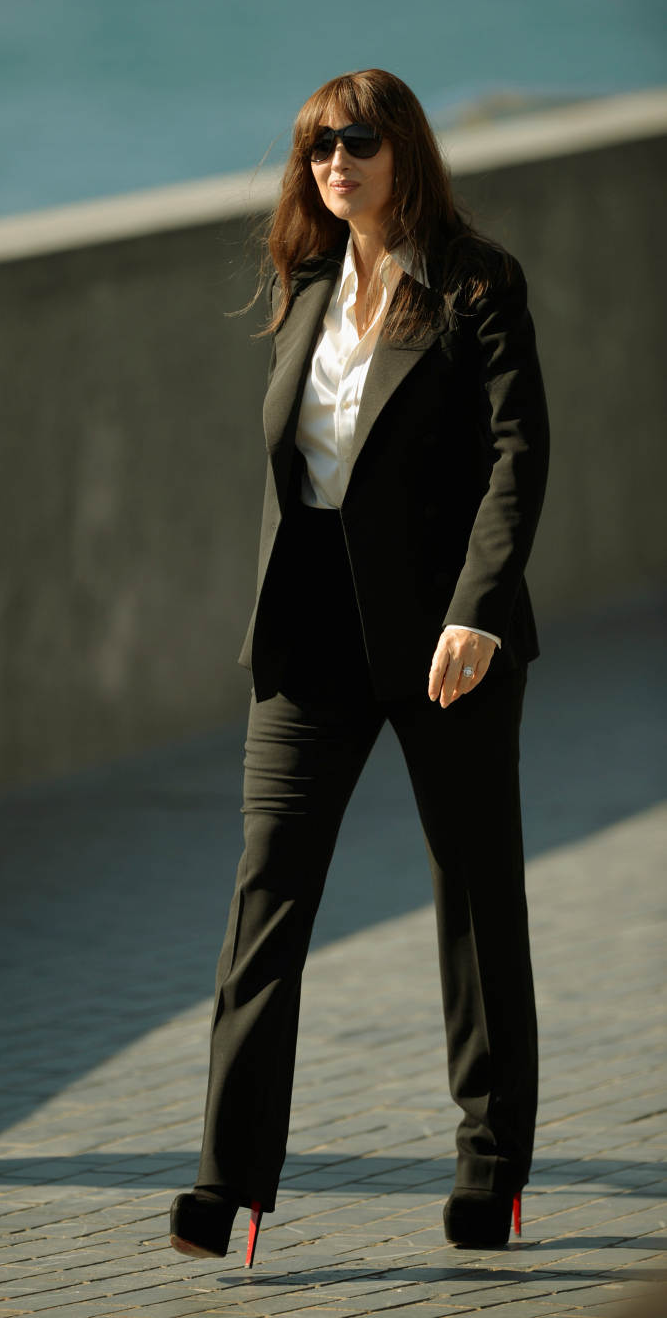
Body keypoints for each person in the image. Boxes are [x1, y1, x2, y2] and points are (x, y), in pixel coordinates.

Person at [169, 68, 549, 1267]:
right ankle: (231, 1182)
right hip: (309, 640)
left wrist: (478, 609)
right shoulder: (307, 280)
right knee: (265, 894)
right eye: (317, 144)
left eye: (358, 140)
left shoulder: (476, 282)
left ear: (406, 151)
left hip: (445, 641)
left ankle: (492, 1171)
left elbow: (517, 451)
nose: (336, 159)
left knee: (476, 903)